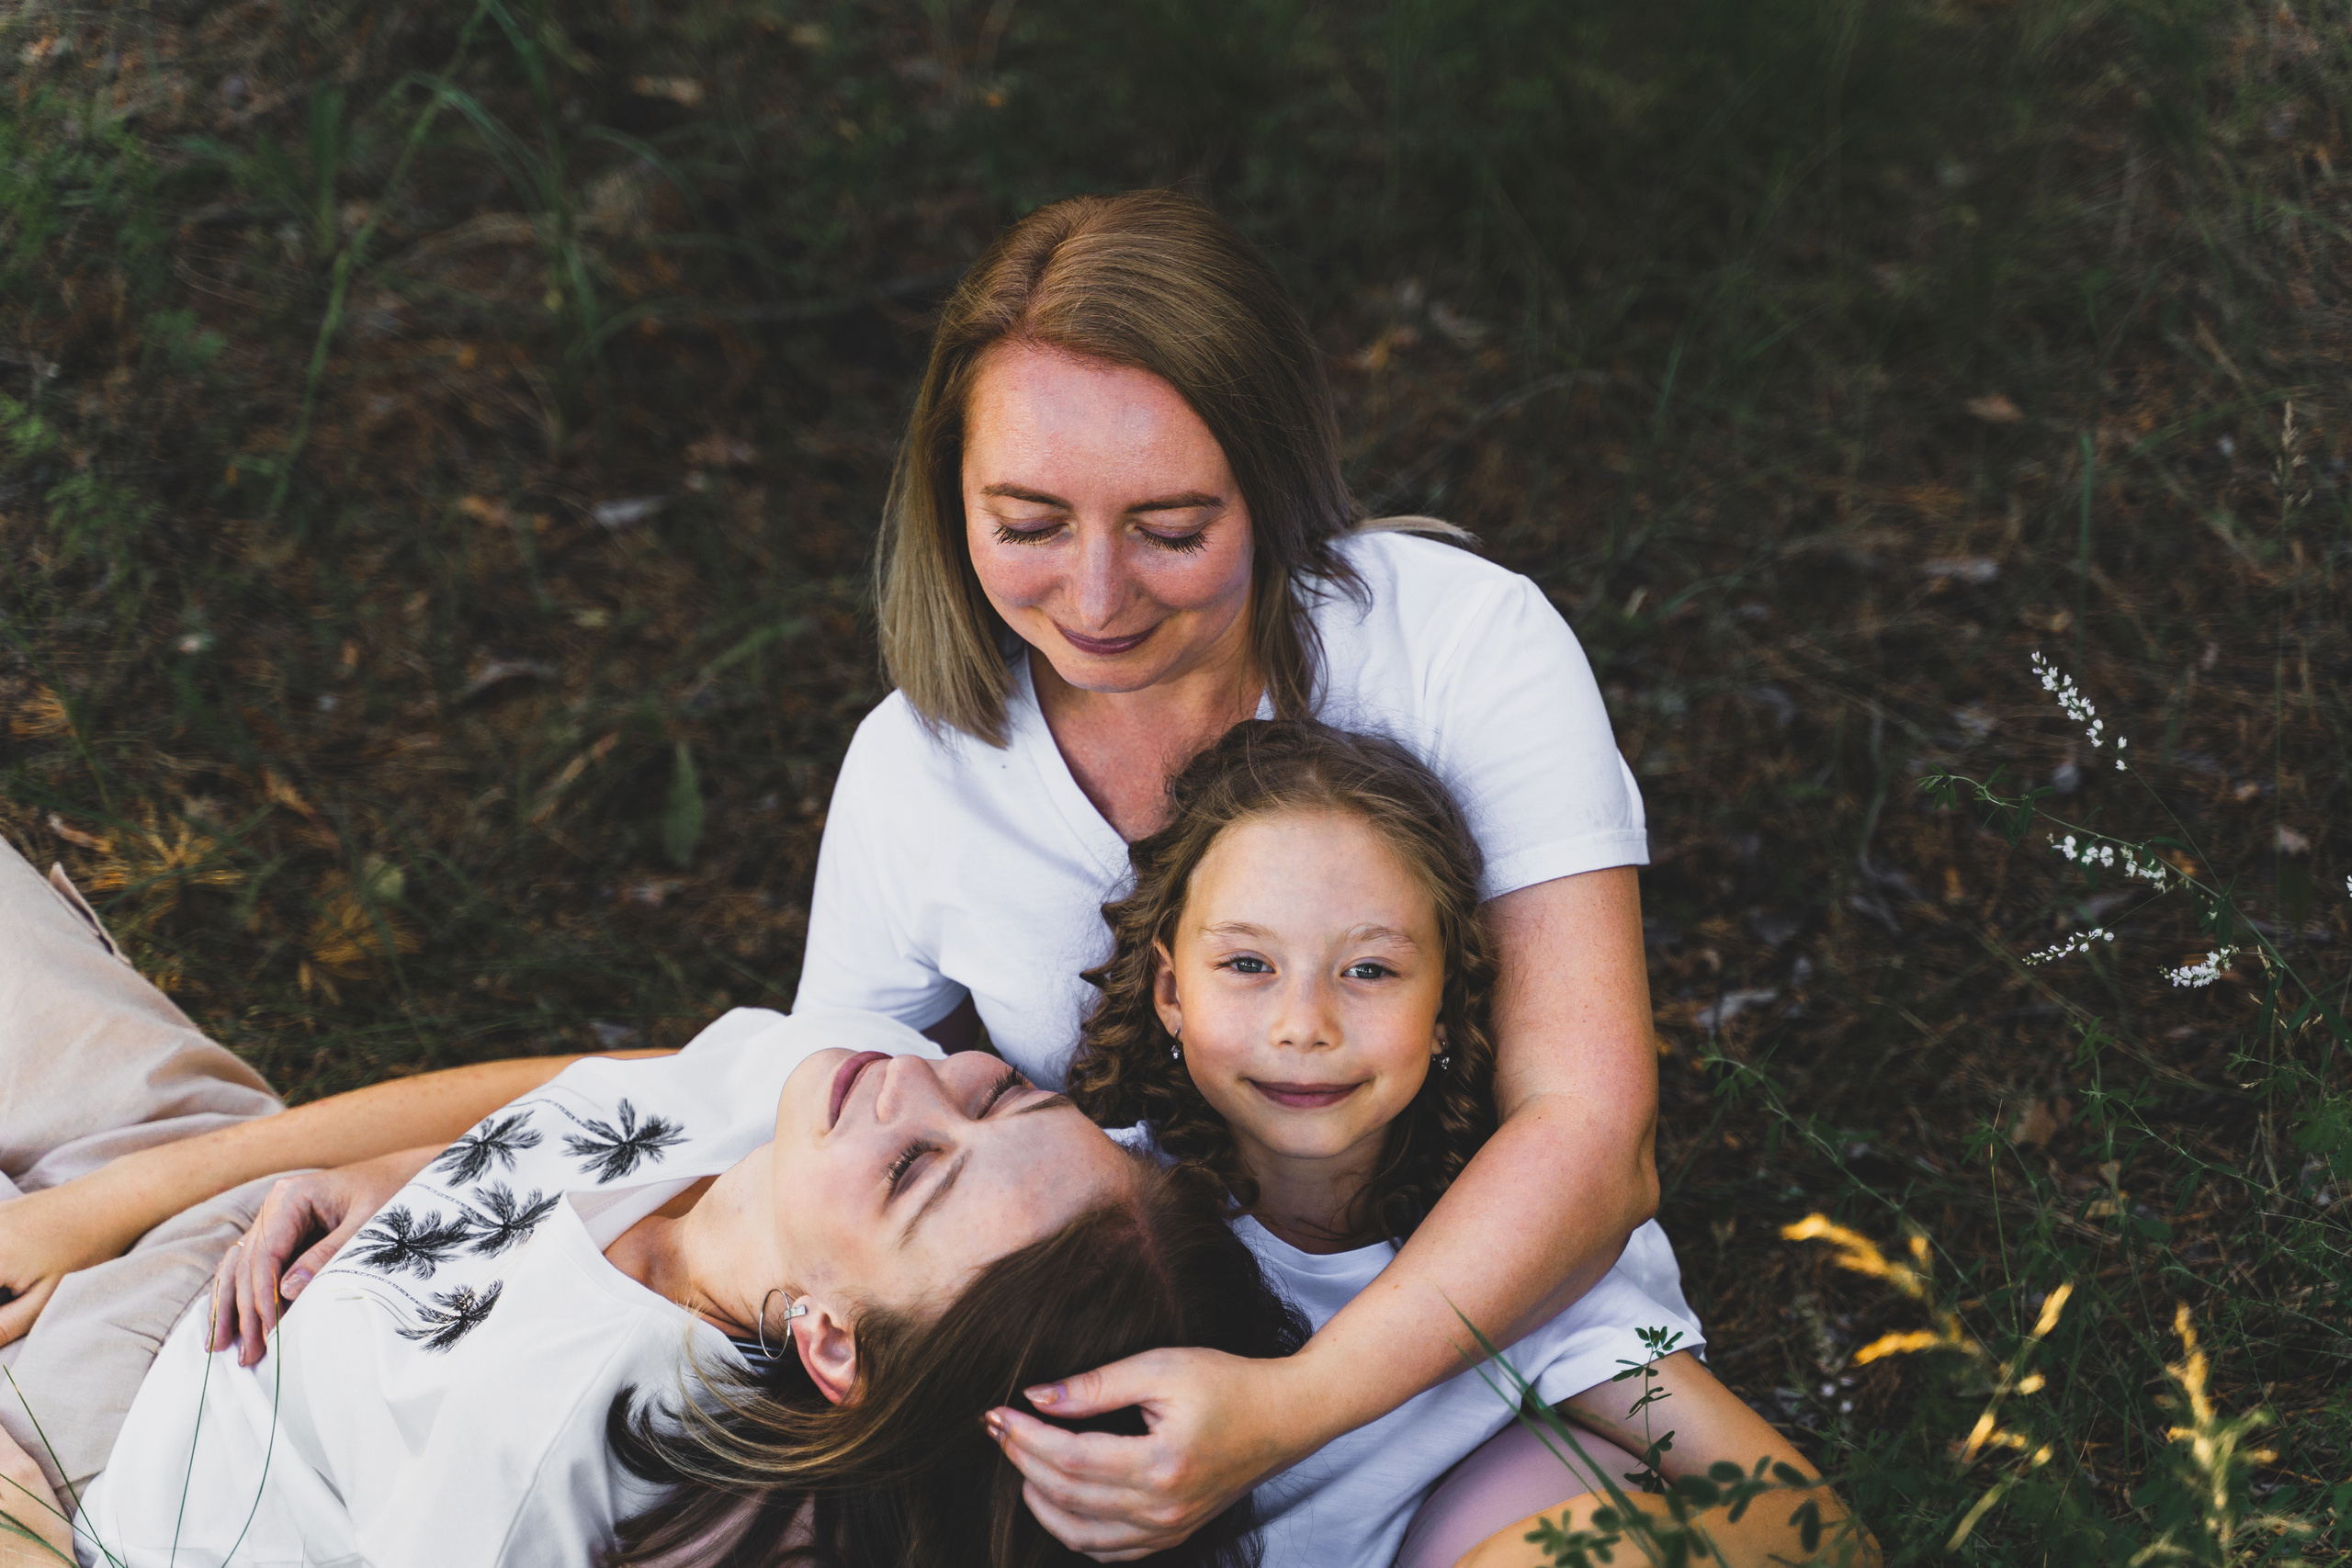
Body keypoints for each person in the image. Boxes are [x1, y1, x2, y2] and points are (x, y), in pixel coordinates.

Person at [795, 188, 1666, 1554]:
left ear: (1275, 483)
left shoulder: (1461, 646)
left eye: (1170, 527)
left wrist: (1288, 1408)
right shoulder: (918, 770)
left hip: (1487, 1347)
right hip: (1119, 1412)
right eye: (1028, 524)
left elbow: (1593, 1135)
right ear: (947, 499)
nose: (1096, 601)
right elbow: (794, 1116)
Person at [0, 839, 1303, 1568]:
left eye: (914, 1171)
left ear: (831, 1342)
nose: (918, 1084)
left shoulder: (569, 1444)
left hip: (89, 1436)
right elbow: (564, 1089)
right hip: (223, 1181)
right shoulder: (817, 1091)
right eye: (1001, 1094)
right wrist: (356, 1178)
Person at [1065, 720, 1872, 1567]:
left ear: (1446, 1007)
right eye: (1247, 964)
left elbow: (1821, 1533)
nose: (1304, 1025)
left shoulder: (1523, 1247)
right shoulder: (1116, 1207)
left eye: (1369, 969)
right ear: (1170, 991)